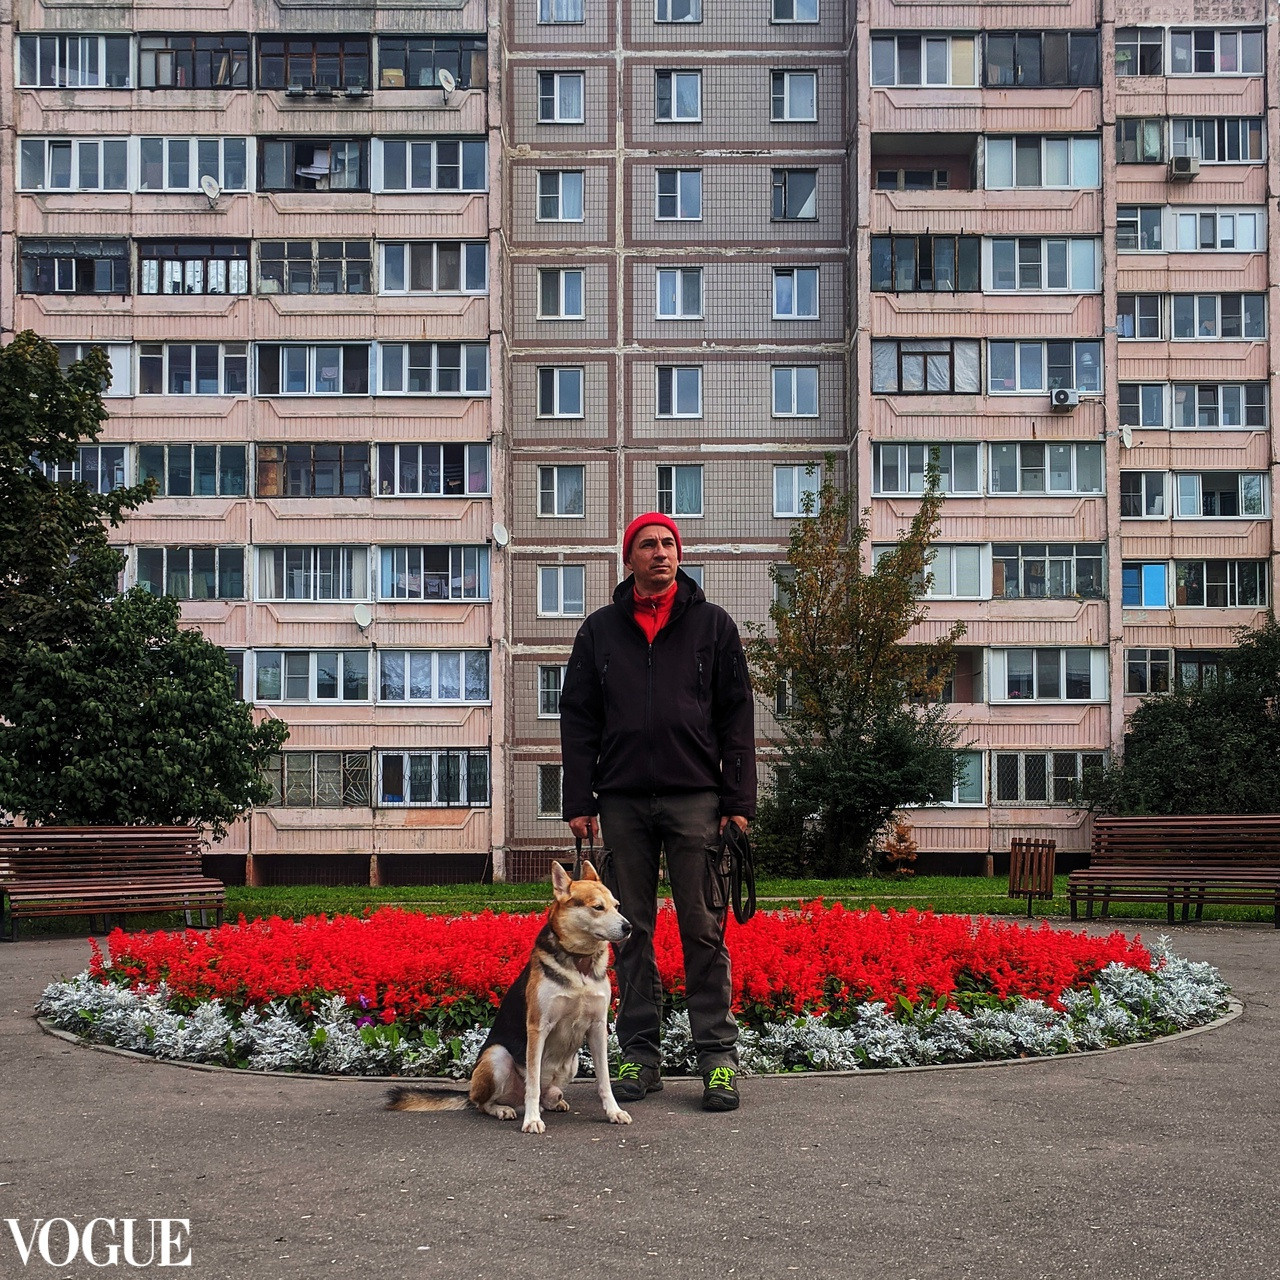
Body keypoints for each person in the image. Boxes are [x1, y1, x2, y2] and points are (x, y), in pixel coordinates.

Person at [558, 512, 757, 1111]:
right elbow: (579, 719)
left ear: (679, 554)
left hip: (696, 798)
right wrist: (578, 799)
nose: (660, 553)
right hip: (620, 801)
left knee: (703, 928)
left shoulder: (713, 626)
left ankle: (718, 1061)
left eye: (669, 543)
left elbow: (736, 717)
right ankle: (639, 1059)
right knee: (629, 932)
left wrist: (739, 802)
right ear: (629, 559)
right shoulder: (599, 632)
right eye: (648, 545)